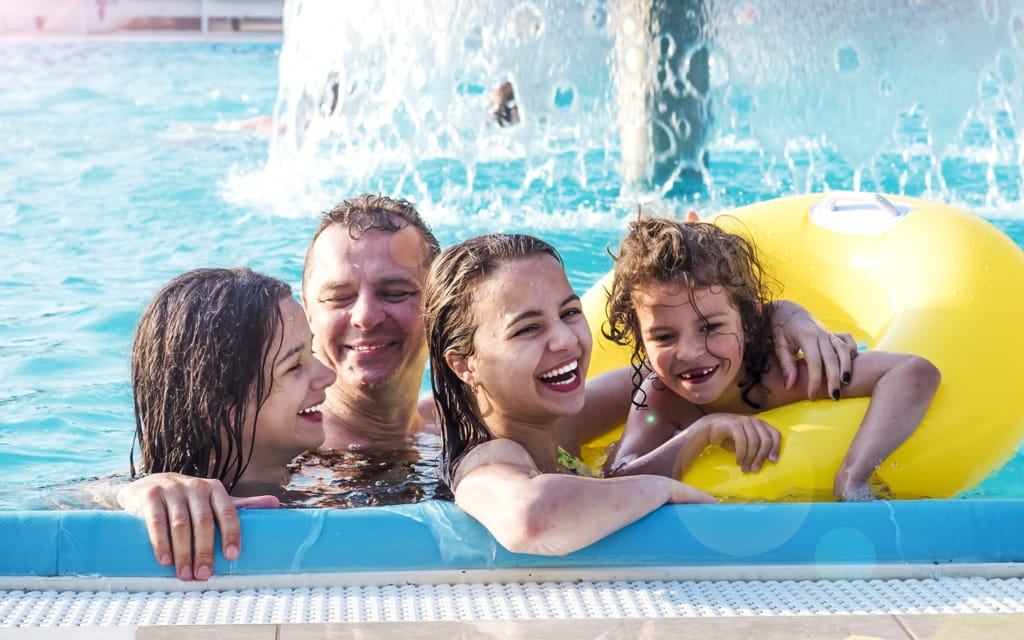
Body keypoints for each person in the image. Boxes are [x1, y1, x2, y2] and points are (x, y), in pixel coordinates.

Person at [120, 194, 854, 577]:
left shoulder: (487, 416)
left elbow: (674, 370)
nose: (367, 317)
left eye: (396, 291)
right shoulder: (274, 445)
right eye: (341, 296)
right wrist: (137, 491)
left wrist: (779, 319)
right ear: (308, 312)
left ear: (441, 316)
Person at [601, 218, 941, 500]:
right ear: (640, 340)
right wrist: (701, 432)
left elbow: (911, 372)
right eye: (664, 337)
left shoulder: (776, 377)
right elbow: (614, 480)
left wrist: (855, 473)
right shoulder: (660, 397)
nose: (688, 352)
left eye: (710, 327)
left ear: (748, 324)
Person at [425, 233, 715, 554]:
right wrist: (661, 489)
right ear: (465, 364)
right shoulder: (486, 460)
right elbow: (530, 519)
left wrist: (773, 324)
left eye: (569, 313)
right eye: (527, 329)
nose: (564, 340)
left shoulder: (559, 422)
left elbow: (672, 368)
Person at [120, 267, 336, 580]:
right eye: (294, 366)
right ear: (217, 403)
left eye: (312, 351)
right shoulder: (160, 492)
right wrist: (128, 494)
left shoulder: (331, 469)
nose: (329, 376)